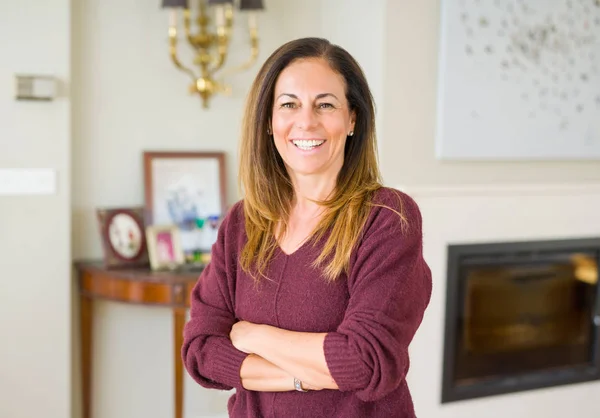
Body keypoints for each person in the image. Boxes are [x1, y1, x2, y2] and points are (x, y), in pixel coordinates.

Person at [181, 37, 432, 418]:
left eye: (325, 104)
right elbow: (201, 350)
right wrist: (302, 375)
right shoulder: (242, 223)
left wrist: (253, 335)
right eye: (289, 104)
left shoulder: (387, 218)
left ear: (352, 119)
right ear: (268, 121)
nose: (306, 121)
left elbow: (365, 362)